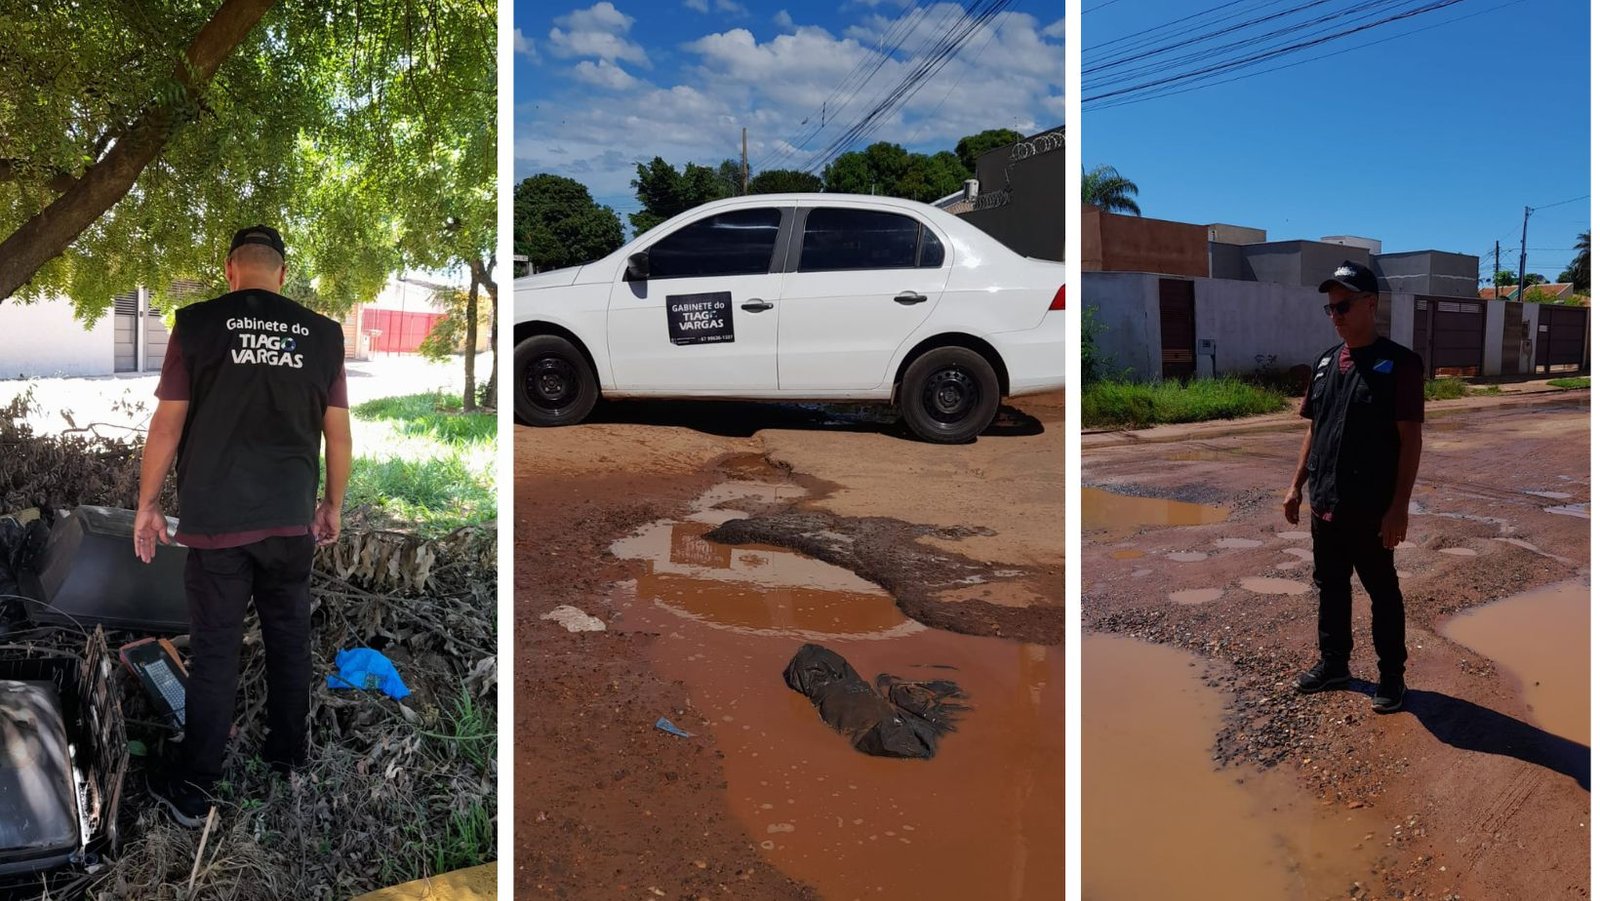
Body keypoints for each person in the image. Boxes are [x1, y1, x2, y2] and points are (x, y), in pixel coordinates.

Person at [133, 225, 351, 826]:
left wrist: (148, 502)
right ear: (281, 274)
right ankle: (288, 756)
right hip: (289, 524)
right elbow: (338, 434)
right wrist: (331, 504)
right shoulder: (325, 335)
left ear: (231, 270)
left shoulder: (198, 325)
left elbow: (167, 424)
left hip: (218, 526)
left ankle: (196, 785)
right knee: (289, 640)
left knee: (216, 648)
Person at [1284, 260, 1423, 714]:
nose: (1336, 315)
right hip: (1325, 504)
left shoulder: (1401, 364)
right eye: (1330, 309)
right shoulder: (1326, 362)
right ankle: (1335, 664)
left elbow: (1410, 439)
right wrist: (1296, 485)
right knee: (1330, 586)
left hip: (1370, 509)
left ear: (1370, 304)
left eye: (1343, 305)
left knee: (1382, 591)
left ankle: (1392, 677)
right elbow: (1313, 428)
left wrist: (1398, 507)